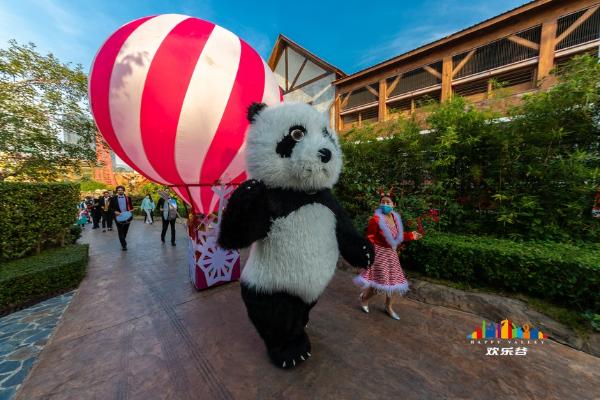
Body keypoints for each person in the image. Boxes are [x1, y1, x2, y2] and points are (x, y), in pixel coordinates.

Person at [354, 191, 422, 320]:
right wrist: (369, 254)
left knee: (394, 282)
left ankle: (388, 307)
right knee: (378, 283)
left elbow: (398, 237)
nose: (384, 204)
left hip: (391, 254)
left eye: (388, 202)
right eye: (382, 202)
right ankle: (364, 298)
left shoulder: (395, 219)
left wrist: (412, 235)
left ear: (394, 205)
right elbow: (370, 238)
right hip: (379, 254)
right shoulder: (376, 220)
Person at [109, 185, 134, 251]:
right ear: (117, 191)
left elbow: (131, 207)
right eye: (119, 190)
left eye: (121, 190)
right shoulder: (113, 198)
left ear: (123, 191)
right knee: (120, 231)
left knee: (125, 231)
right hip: (118, 217)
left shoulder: (128, 198)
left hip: (127, 216)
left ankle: (122, 240)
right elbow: (110, 208)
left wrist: (131, 210)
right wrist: (115, 212)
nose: (120, 191)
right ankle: (124, 245)